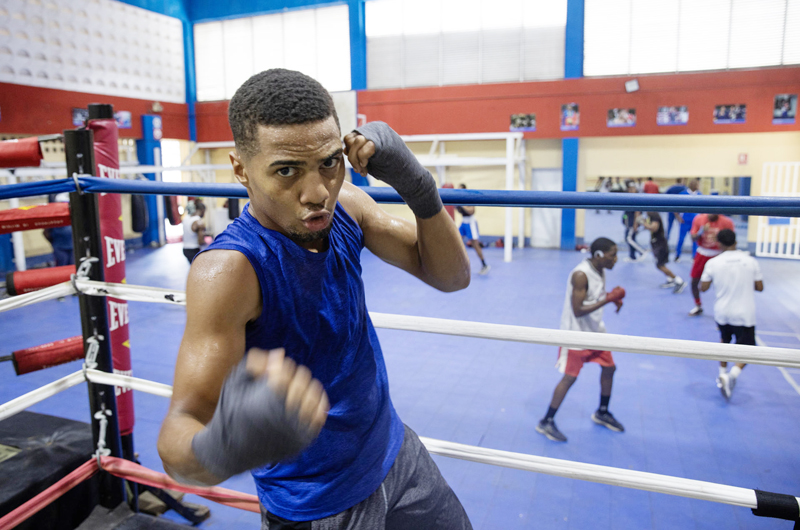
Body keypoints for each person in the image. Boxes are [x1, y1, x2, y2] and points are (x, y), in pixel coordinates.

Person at [157, 69, 473, 529]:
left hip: (395, 454)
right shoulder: (229, 271)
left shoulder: (346, 205)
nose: (317, 193)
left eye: (328, 162)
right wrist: (226, 446)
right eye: (286, 171)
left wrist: (418, 186)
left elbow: (452, 277)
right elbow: (179, 433)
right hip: (316, 505)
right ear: (241, 169)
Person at [536, 237, 626, 442]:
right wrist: (609, 299)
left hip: (595, 332)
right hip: (575, 334)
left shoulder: (599, 269)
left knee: (610, 368)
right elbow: (577, 311)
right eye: (613, 255)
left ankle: (602, 411)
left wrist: (612, 298)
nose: (616, 259)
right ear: (599, 256)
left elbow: (595, 297)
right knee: (570, 378)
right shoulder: (580, 275)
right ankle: (546, 421)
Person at [699, 229, 763, 399]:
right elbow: (760, 287)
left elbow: (703, 288)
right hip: (744, 313)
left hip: (722, 312)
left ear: (719, 243)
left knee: (724, 342)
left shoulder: (713, 263)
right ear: (736, 241)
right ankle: (732, 375)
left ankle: (722, 373)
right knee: (749, 349)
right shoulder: (750, 261)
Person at [688, 213, 736, 316]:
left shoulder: (726, 222)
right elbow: (693, 238)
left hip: (719, 254)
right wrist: (701, 231)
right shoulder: (699, 219)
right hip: (702, 253)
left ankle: (726, 309)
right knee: (694, 281)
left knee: (724, 283)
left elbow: (732, 241)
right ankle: (698, 305)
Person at [640, 212, 685, 293]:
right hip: (657, 243)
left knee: (659, 265)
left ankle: (679, 281)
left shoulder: (654, 215)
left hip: (660, 244)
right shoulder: (650, 215)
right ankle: (671, 280)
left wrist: (643, 223)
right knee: (662, 264)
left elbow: (654, 228)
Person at [457, 184, 489, 275]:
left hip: (471, 223)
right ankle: (456, 264)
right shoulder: (457, 198)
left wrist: (462, 205)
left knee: (475, 245)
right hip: (463, 223)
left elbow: (471, 211)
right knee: (456, 240)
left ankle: (484, 265)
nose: (458, 191)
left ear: (464, 190)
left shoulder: (468, 198)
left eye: (460, 189)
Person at [674, 179, 701, 262]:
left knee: (695, 240)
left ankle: (694, 256)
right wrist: (678, 217)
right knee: (681, 239)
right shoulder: (683, 194)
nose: (697, 186)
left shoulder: (700, 195)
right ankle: (677, 255)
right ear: (691, 185)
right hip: (685, 221)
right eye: (695, 184)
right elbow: (675, 206)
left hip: (695, 221)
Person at [43, 192, 74, 267]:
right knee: (62, 266)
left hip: (72, 246)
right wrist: (54, 243)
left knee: (74, 267)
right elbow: (46, 232)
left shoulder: (72, 213)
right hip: (59, 247)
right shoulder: (52, 215)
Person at [622, 182, 647, 262]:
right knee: (631, 239)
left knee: (628, 238)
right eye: (629, 188)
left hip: (632, 223)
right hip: (628, 222)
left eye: (632, 188)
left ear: (635, 189)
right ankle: (632, 256)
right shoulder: (628, 197)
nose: (630, 190)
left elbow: (637, 212)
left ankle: (642, 251)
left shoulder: (636, 198)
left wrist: (635, 224)